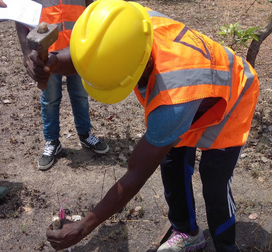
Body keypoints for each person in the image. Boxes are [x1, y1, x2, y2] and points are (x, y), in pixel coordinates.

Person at [27, 0, 259, 251]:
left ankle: (226, 245)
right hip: (191, 89)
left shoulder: (172, 100)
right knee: (173, 163)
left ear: (141, 67)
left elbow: (136, 173)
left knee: (214, 181)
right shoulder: (129, 23)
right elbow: (95, 51)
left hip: (231, 95)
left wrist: (85, 226)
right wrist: (55, 62)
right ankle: (188, 232)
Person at [15, 0, 109, 171]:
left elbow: (90, 9)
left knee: (80, 95)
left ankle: (85, 134)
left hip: (77, 51)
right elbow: (20, 15)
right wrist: (25, 53)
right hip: (46, 54)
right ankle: (52, 141)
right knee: (50, 99)